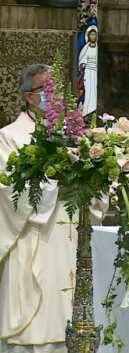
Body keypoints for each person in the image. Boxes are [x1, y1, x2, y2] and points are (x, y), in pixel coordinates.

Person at [0, 64, 107, 352]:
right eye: (44, 91)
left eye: (56, 91)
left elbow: (95, 193)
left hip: (70, 238)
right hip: (32, 238)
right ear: (27, 97)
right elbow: (7, 190)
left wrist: (91, 179)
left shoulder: (74, 136)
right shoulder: (9, 136)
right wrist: (54, 186)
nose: (52, 97)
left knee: (72, 317)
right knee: (34, 326)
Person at [78, 25, 98, 116]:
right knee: (89, 92)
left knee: (95, 92)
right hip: (88, 72)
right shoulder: (86, 48)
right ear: (89, 36)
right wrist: (82, 65)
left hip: (96, 72)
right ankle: (87, 113)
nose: (93, 36)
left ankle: (95, 112)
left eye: (94, 35)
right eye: (91, 35)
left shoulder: (98, 48)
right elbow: (82, 59)